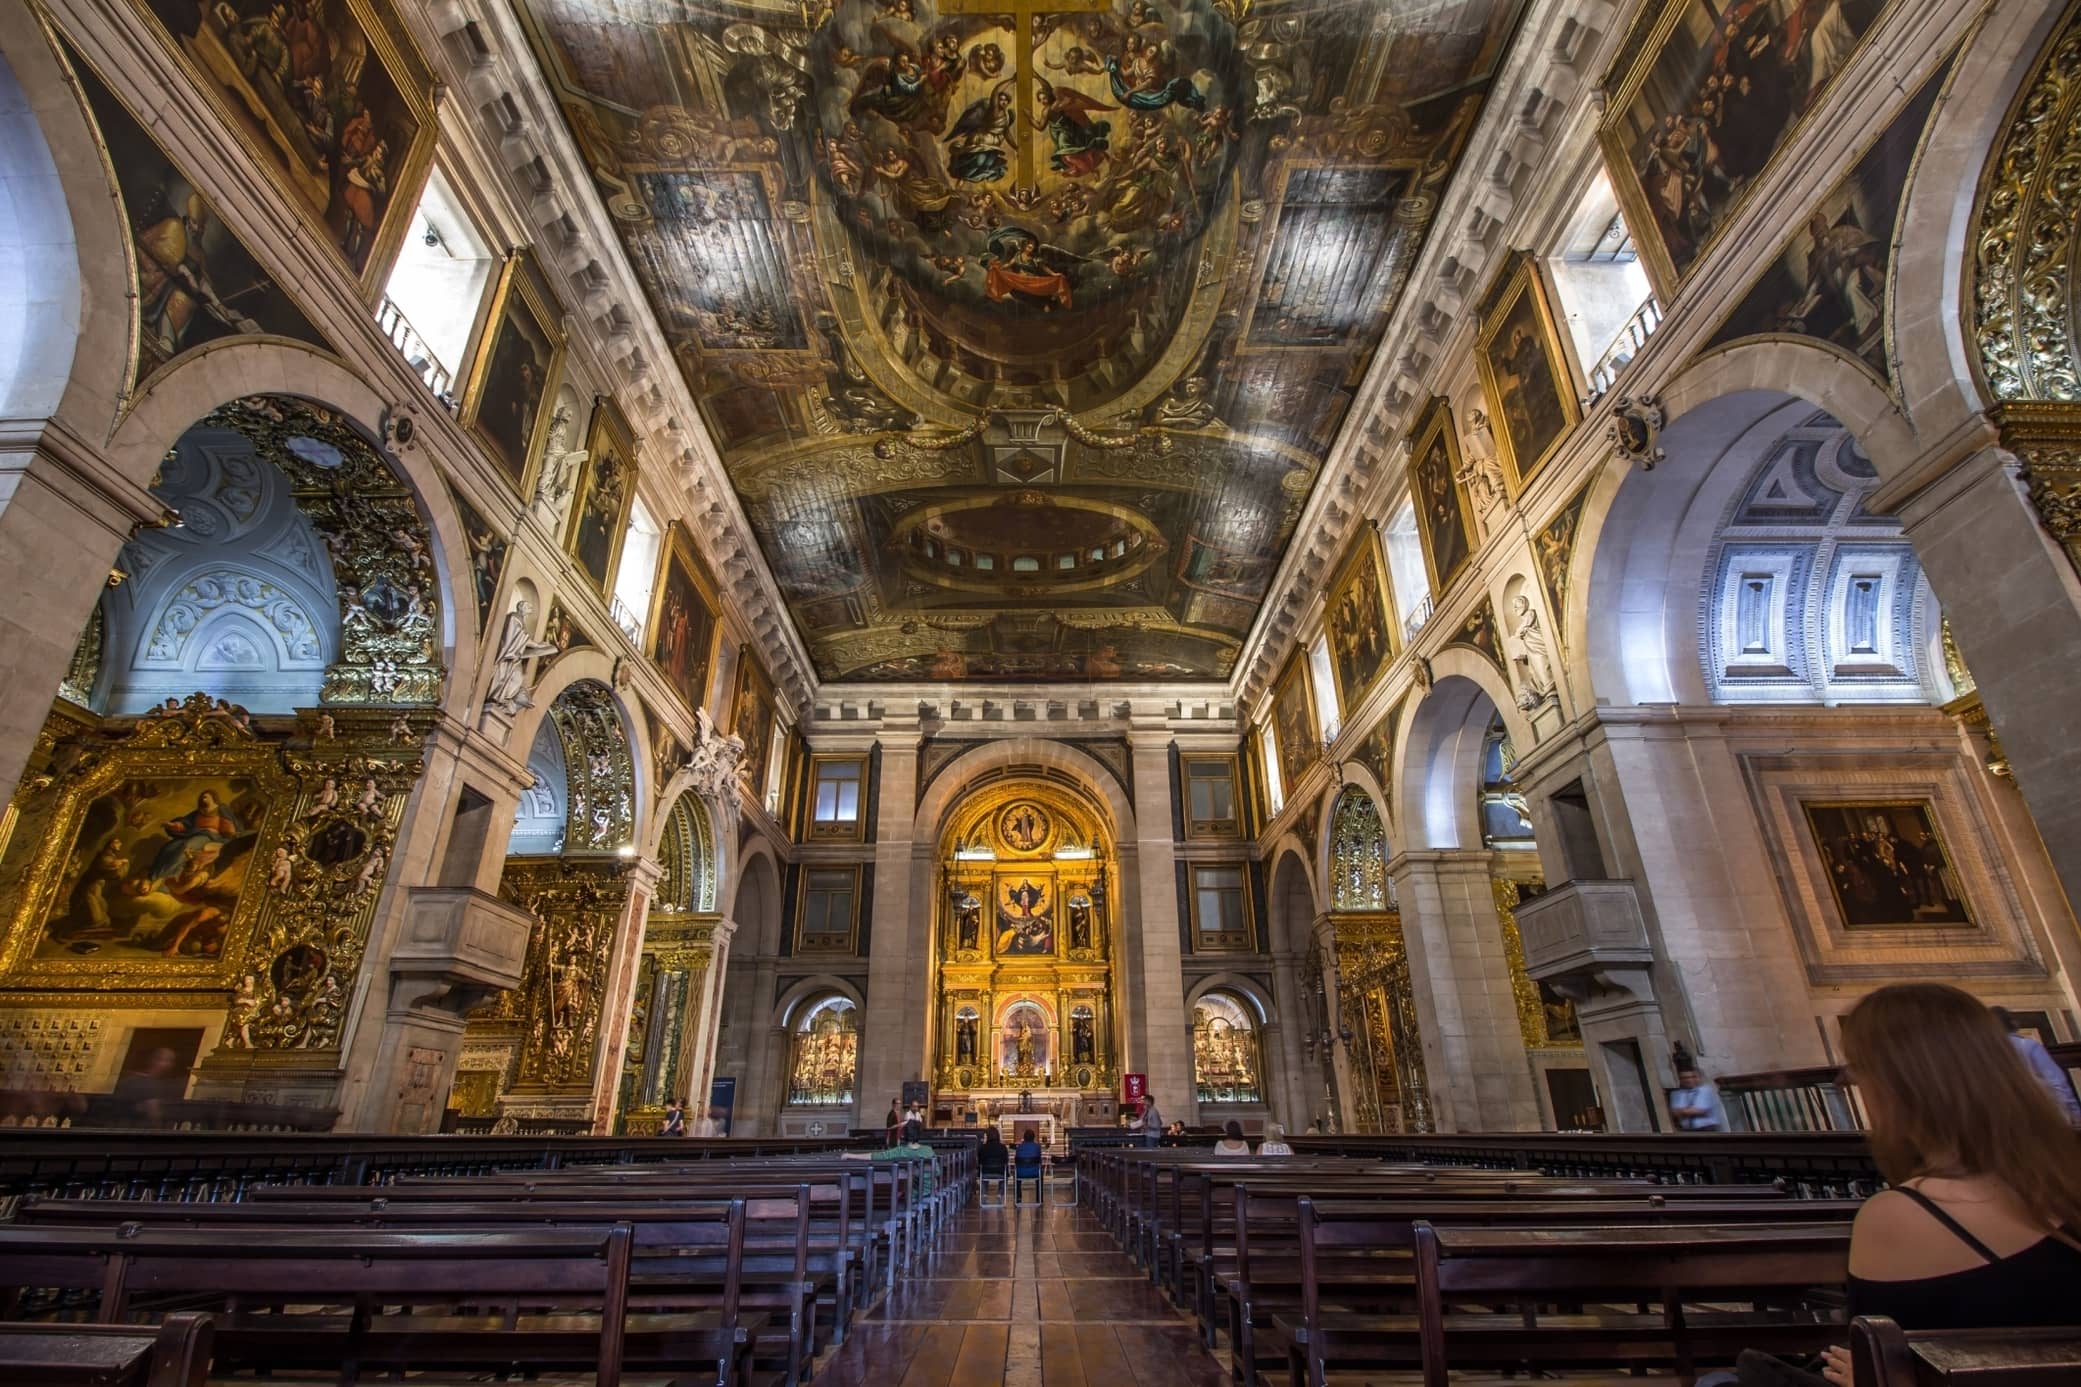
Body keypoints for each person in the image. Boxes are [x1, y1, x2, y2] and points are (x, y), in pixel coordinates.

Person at [1775, 984, 2081, 1386]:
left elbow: (1882, 1369)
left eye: (1859, 1069)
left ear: (1895, 1086)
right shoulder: (2064, 1174)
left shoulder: (1901, 1214)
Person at [1993, 1008, 2081, 1126]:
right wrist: (2075, 1114)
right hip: (2042, 1113)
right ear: (2014, 1023)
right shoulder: (2028, 1046)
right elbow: (2057, 1082)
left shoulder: (1988, 1053)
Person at [1669, 1063, 1728, 1131]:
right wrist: (1688, 1111)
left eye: (1692, 1077)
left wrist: (1682, 1111)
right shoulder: (1676, 1094)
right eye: (1684, 1078)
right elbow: (1674, 1113)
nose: (1688, 1080)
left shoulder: (1706, 1090)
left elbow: (1700, 1110)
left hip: (1707, 1129)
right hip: (1687, 1130)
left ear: (1698, 1078)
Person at [1013, 1127, 1044, 1204]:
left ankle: (1018, 1197)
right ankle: (1039, 1197)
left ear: (1024, 1138)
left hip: (1020, 1172)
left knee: (1016, 1172)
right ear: (1034, 1137)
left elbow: (1016, 1161)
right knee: (1040, 1172)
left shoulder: (1019, 1147)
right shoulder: (1037, 1147)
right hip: (1035, 1172)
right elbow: (1040, 1160)